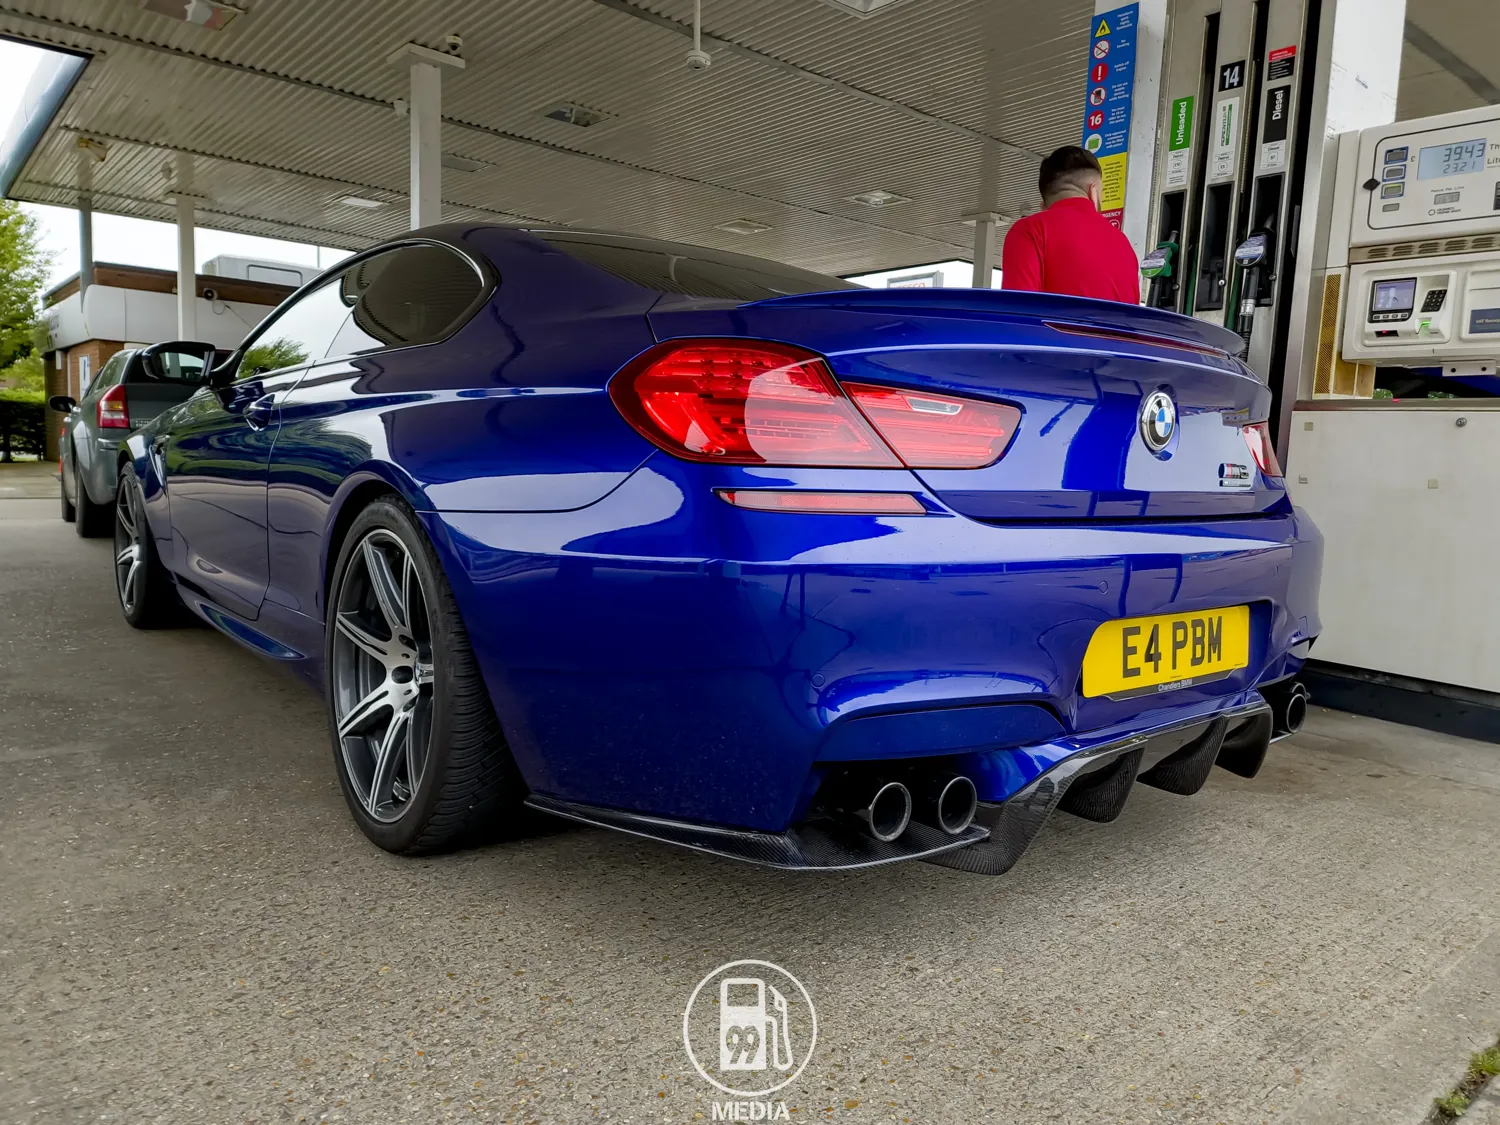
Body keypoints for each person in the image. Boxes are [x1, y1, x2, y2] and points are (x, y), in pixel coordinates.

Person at [1001, 145, 1141, 304]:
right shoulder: (1124, 244)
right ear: (1093, 192)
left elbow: (1018, 308)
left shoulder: (1030, 230)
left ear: (1043, 207)